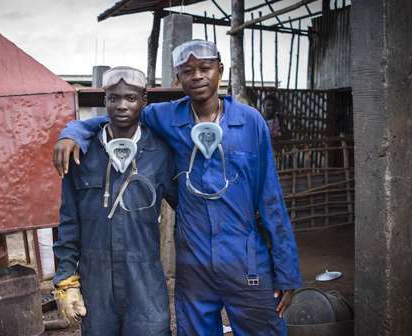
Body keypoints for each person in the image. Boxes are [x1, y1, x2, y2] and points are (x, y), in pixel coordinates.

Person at [53, 40, 302, 336]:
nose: (197, 76)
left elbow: (271, 199)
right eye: (187, 70)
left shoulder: (250, 123)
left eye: (205, 68)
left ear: (220, 71)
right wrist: (72, 132)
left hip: (245, 258)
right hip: (193, 261)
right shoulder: (165, 117)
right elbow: (117, 116)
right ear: (178, 78)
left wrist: (286, 270)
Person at [52, 66, 177, 336]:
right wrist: (65, 278)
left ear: (144, 101)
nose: (121, 105)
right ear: (104, 101)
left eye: (131, 98)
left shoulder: (160, 153)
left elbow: (189, 211)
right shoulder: (81, 153)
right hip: (96, 280)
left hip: (144, 277)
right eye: (113, 98)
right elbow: (68, 222)